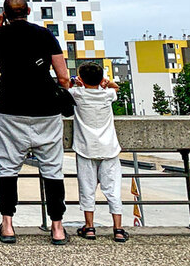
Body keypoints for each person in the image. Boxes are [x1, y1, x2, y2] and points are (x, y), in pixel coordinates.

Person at [0, 0, 70, 245]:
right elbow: (63, 77)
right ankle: (57, 227)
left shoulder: (1, 35)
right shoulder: (45, 35)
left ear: (5, 14)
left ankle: (8, 226)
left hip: (11, 108)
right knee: (52, 170)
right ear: (28, 10)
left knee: (8, 168)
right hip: (46, 110)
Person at [70, 62, 128, 243]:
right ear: (101, 78)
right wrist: (106, 82)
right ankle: (118, 229)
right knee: (113, 189)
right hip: (109, 148)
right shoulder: (107, 95)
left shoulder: (77, 94)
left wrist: (75, 83)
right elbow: (115, 88)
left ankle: (90, 227)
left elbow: (66, 88)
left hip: (85, 148)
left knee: (87, 189)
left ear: (81, 78)